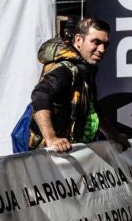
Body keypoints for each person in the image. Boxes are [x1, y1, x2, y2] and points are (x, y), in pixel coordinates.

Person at [29, 19, 110, 151]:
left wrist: (112, 134)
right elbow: (40, 95)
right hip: (52, 155)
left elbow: (92, 107)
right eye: (96, 42)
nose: (102, 49)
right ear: (78, 40)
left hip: (73, 152)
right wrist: (51, 137)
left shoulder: (85, 68)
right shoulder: (66, 69)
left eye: (106, 44)